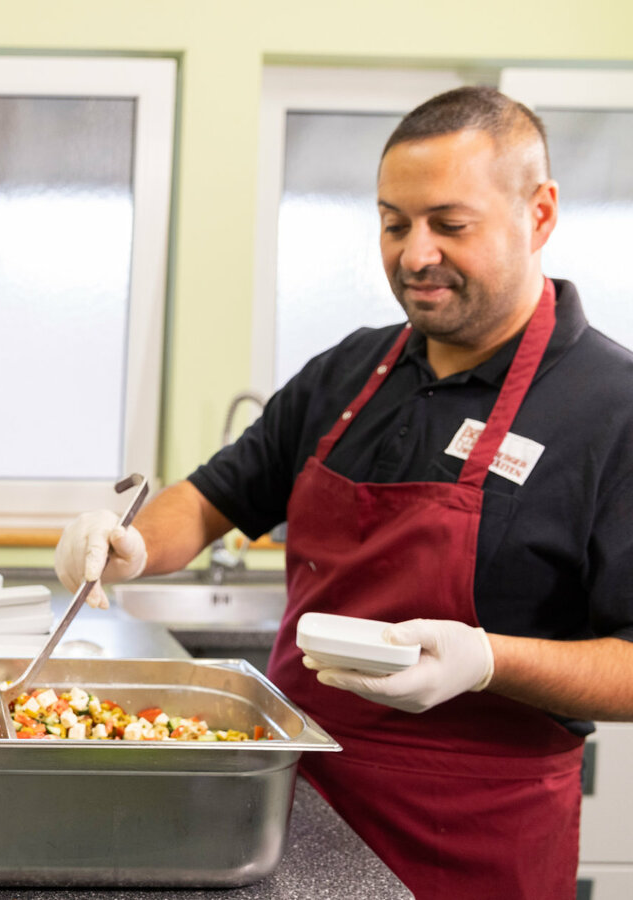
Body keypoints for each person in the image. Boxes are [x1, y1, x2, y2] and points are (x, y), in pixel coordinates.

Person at [54, 86, 633, 900]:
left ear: (540, 214)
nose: (413, 253)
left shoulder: (612, 408)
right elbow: (216, 495)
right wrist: (132, 544)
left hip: (474, 837)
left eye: (449, 224)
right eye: (394, 223)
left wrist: (484, 660)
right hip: (298, 810)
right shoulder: (350, 371)